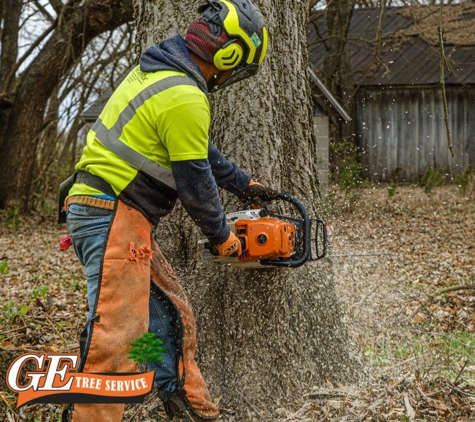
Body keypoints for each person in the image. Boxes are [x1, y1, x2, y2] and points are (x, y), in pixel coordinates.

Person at [59, 1, 277, 421]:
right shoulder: (185, 96)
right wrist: (222, 237)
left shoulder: (161, 74)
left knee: (167, 317)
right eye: (236, 66)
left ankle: (190, 409)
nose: (228, 76)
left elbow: (197, 152)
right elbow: (195, 183)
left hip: (117, 215)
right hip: (112, 214)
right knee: (117, 339)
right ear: (228, 54)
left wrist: (242, 183)